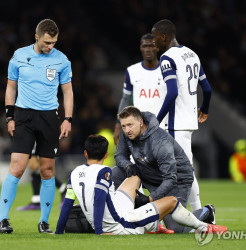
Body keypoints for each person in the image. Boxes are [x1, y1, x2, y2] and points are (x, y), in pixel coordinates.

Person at [55, 135, 227, 235]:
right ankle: (205, 226)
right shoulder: (104, 172)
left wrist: (58, 231)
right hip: (121, 223)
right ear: (107, 154)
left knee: (135, 177)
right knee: (172, 201)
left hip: (116, 209)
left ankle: (152, 219)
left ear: (85, 153)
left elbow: (67, 204)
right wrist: (100, 232)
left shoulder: (74, 173)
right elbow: (100, 199)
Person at [0, 19, 73, 234]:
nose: (51, 46)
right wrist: (10, 117)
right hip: (23, 116)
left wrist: (67, 119)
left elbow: (67, 92)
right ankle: (3, 219)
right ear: (37, 37)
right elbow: (10, 88)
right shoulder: (19, 56)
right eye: (48, 42)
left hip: (49, 118)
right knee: (17, 167)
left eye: (54, 42)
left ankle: (44, 222)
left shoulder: (61, 60)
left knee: (47, 170)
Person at [113, 106, 217, 233]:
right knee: (117, 172)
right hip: (150, 173)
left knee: (176, 229)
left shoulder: (160, 141)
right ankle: (129, 216)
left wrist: (149, 199)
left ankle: (207, 211)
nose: (127, 130)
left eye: (129, 125)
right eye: (123, 126)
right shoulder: (128, 133)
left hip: (177, 180)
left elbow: (170, 178)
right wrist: (128, 165)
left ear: (140, 122)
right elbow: (120, 155)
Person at [151, 19, 212, 212]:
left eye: (154, 38)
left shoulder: (167, 58)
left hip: (175, 124)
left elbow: (172, 93)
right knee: (181, 168)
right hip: (188, 121)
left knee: (185, 170)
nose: (154, 43)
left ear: (163, 37)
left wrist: (156, 121)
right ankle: (194, 213)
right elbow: (208, 89)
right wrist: (205, 108)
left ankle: (201, 214)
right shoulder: (191, 54)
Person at [113, 33, 167, 145]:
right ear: (140, 48)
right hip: (139, 129)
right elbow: (126, 99)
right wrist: (118, 125)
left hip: (163, 128)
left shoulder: (167, 71)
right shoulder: (132, 71)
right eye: (145, 46)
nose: (148, 49)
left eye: (151, 46)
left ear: (157, 47)